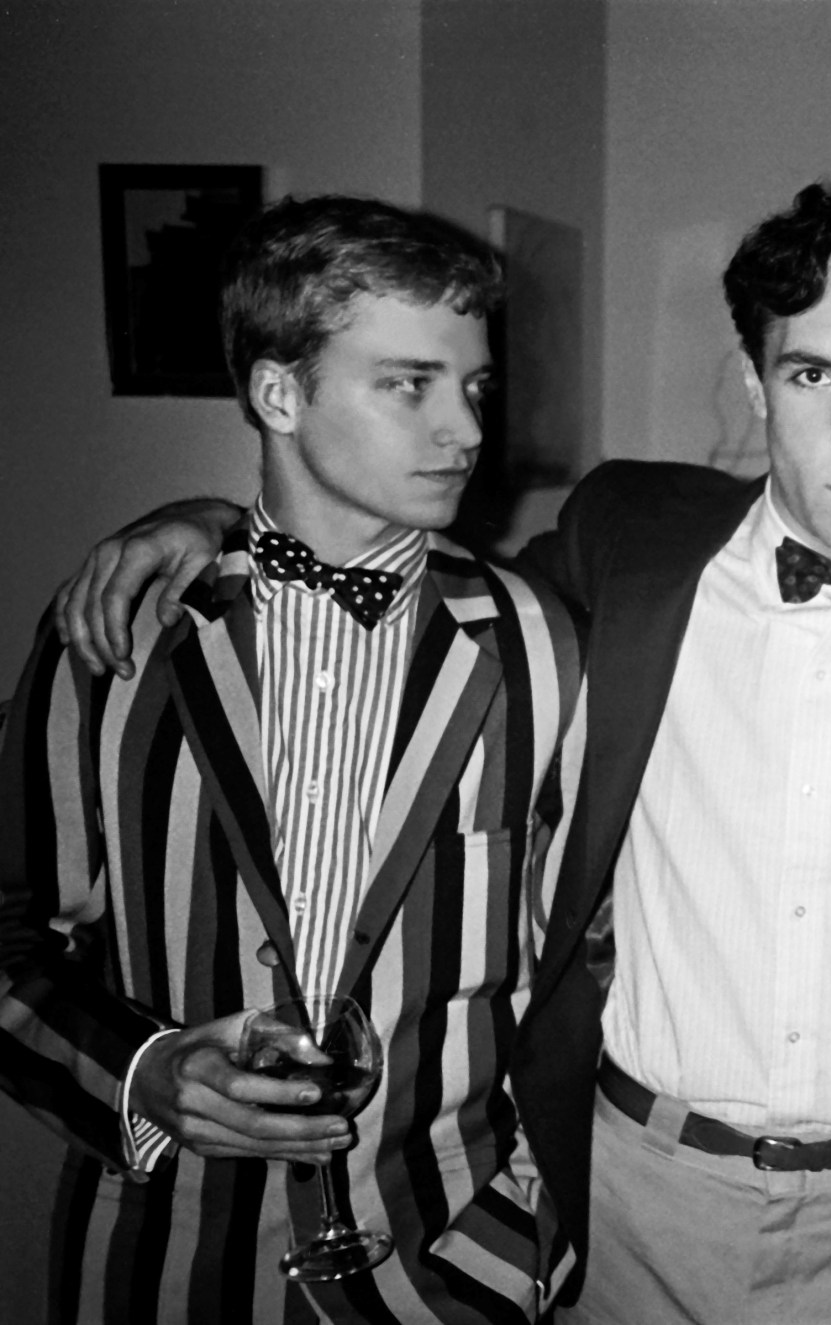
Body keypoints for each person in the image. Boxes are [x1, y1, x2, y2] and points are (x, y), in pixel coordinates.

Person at [49, 177, 831, 1324]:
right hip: (634, 1207)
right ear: (754, 383)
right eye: (809, 374)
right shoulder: (623, 548)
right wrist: (209, 521)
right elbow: (374, 570)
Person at [0, 195, 583, 1324]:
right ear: (278, 392)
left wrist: (527, 1235)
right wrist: (142, 1071)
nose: (464, 430)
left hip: (451, 1273)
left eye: (472, 387)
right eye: (408, 385)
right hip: (165, 1267)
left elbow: (581, 970)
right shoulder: (117, 634)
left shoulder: (537, 641)